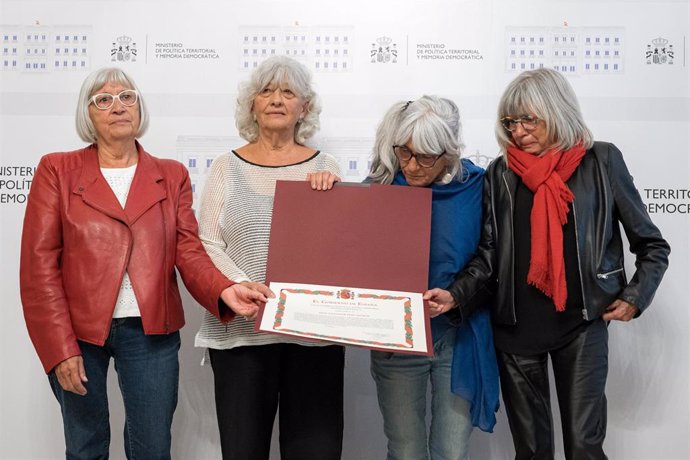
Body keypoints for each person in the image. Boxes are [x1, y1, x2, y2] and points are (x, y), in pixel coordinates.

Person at [19, 67, 269, 460]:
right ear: (88, 114)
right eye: (103, 99)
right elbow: (39, 269)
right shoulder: (57, 170)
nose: (118, 105)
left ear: (140, 107)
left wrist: (223, 288)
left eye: (127, 96)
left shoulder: (170, 175)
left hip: (151, 333)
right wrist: (58, 348)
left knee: (152, 449)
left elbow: (187, 250)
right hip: (79, 334)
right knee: (85, 448)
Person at [428, 68, 671, 459]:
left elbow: (652, 244)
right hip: (515, 330)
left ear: (556, 111)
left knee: (584, 448)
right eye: (510, 121)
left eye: (529, 119)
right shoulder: (501, 173)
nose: (518, 130)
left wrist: (635, 296)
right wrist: (456, 296)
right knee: (531, 452)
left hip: (581, 324)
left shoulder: (602, 161)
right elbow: (490, 255)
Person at [194, 56, 343, 460]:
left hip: (312, 339)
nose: (276, 99)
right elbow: (206, 241)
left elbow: (340, 250)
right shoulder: (225, 167)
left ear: (304, 108)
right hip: (243, 336)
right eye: (266, 91)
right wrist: (237, 284)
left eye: (288, 92)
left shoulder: (326, 168)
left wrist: (334, 199)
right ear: (252, 106)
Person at [366, 96, 499, 460]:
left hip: (457, 337)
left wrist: (456, 295)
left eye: (425, 157)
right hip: (397, 340)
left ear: (450, 152)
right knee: (405, 451)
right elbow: (354, 255)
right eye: (404, 153)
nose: (411, 165)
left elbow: (492, 256)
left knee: (451, 452)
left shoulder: (477, 186)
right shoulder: (379, 188)